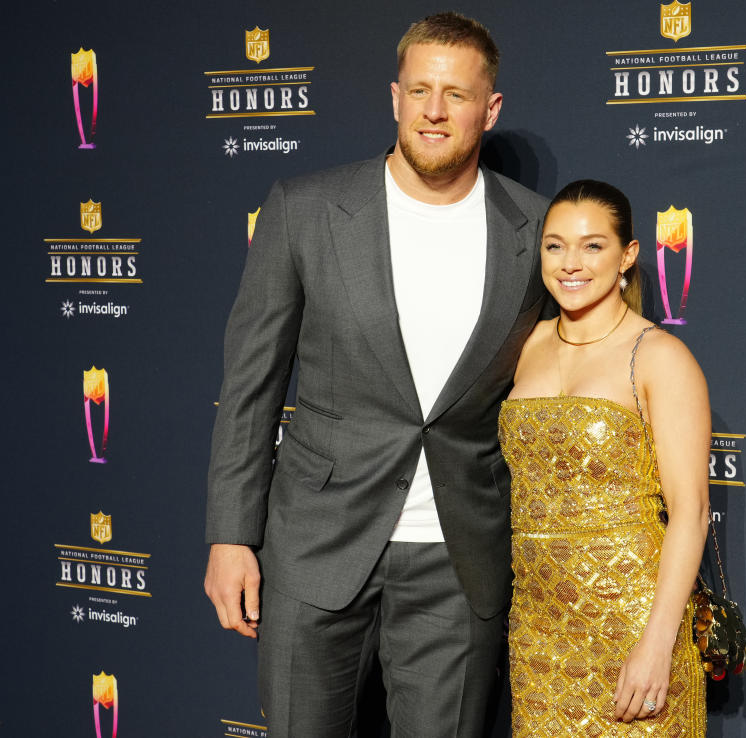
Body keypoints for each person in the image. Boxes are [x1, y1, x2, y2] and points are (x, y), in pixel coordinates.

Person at [203, 13, 548, 738]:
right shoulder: (304, 210)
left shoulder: (536, 229)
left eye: (456, 94)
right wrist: (231, 536)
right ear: (394, 97)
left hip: (460, 565)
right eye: (419, 89)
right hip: (315, 549)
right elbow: (250, 391)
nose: (433, 110)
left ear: (490, 110)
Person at [499, 180, 710, 735]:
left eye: (593, 246)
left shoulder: (660, 356)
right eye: (555, 245)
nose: (571, 263)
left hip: (633, 623)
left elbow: (690, 513)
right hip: (537, 628)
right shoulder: (526, 344)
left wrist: (658, 644)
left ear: (628, 256)